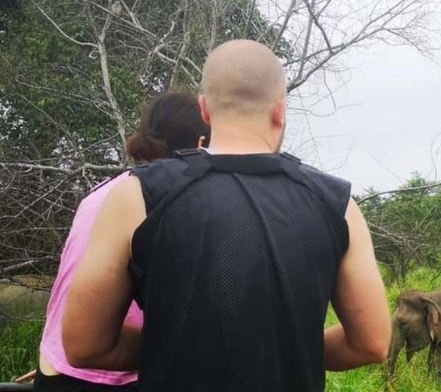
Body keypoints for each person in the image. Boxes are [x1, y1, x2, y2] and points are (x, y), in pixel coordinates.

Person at [62, 40, 391, 391]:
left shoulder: (137, 195)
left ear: (204, 110)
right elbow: (370, 343)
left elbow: (85, 345)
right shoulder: (337, 204)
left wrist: (177, 346)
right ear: (280, 111)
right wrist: (275, 351)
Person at [35, 92, 210, 392]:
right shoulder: (174, 202)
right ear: (201, 144)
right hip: (114, 373)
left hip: (55, 367)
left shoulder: (105, 190)